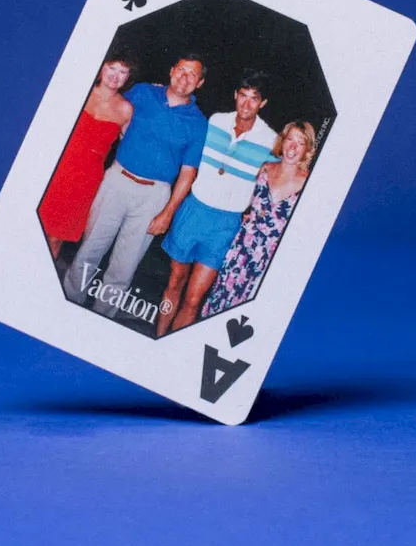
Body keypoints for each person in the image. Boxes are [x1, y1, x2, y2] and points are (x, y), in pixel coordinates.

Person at [63, 55, 209, 317]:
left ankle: (100, 318)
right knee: (89, 250)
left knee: (124, 267)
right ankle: (67, 304)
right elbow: (113, 107)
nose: (184, 77)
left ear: (199, 83)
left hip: (154, 197)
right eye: (181, 70)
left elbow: (188, 173)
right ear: (172, 70)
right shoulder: (143, 92)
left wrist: (167, 213)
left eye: (192, 74)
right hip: (117, 180)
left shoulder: (198, 123)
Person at [156, 70, 278, 336]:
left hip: (225, 224)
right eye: (242, 96)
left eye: (254, 98)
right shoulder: (215, 121)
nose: (246, 104)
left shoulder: (270, 140)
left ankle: (171, 347)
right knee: (174, 283)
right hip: (194, 210)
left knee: (193, 298)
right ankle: (158, 337)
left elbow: (282, 175)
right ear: (235, 95)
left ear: (263, 103)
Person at [201, 120, 316, 318]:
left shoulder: (309, 183)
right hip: (242, 250)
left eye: (300, 143)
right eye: (290, 139)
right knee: (220, 302)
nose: (293, 147)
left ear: (307, 149)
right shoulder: (265, 169)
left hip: (271, 257)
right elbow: (247, 202)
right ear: (282, 141)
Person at [38, 50, 136, 260]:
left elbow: (130, 147)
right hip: (56, 169)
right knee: (35, 228)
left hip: (85, 179)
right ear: (101, 68)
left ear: (128, 77)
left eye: (123, 71)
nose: (115, 76)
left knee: (56, 238)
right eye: (111, 68)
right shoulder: (80, 92)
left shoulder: (126, 109)